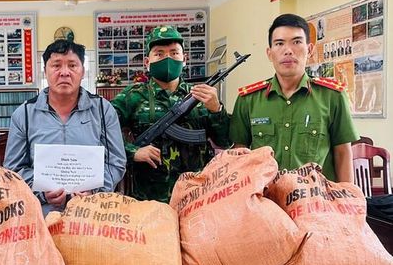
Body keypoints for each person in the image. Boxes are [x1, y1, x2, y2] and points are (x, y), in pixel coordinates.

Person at [230, 13, 358, 183]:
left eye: (296, 42)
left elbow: (342, 153)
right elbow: (239, 155)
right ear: (269, 53)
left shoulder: (332, 96)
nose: (288, 50)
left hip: (317, 197)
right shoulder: (248, 100)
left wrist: (347, 195)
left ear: (310, 50)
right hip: (265, 197)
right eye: (279, 43)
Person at [3, 39, 126, 215]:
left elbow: (116, 161)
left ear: (82, 71)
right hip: (41, 213)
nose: (64, 72)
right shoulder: (24, 114)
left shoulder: (102, 110)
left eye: (72, 65)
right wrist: (42, 193)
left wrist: (95, 191)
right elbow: (13, 169)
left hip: (92, 213)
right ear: (45, 70)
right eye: (56, 65)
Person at [111, 26, 230, 203]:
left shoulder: (201, 95)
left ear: (184, 59)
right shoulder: (132, 96)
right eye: (159, 54)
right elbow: (102, 131)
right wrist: (132, 151)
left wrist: (216, 109)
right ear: (147, 62)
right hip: (149, 198)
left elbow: (225, 142)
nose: (168, 58)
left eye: (174, 53)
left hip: (198, 195)